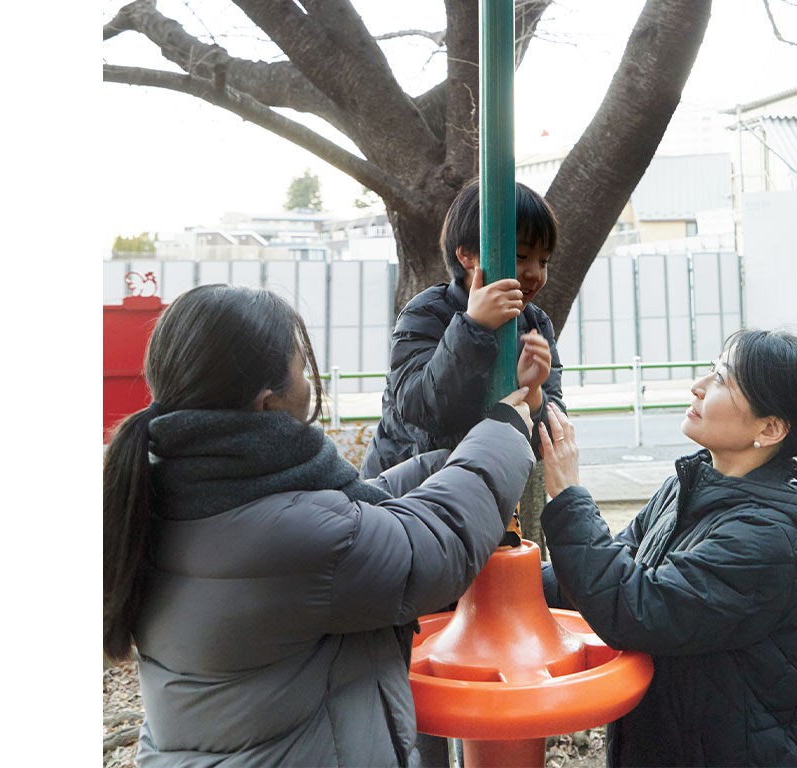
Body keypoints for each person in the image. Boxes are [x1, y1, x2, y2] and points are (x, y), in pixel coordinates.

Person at [103, 283, 535, 768]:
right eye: (300, 370)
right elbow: (431, 546)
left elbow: (350, 522)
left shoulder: (171, 494)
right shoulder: (292, 539)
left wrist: (443, 463)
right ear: (266, 401)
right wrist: (503, 432)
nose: (309, 382)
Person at [537, 328, 797, 768]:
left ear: (769, 428)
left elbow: (636, 607)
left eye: (723, 379)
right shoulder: (685, 488)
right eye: (711, 370)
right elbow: (600, 575)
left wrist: (568, 496)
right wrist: (494, 575)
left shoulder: (769, 539)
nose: (699, 386)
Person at [360, 178, 565, 477]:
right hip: (408, 495)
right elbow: (424, 409)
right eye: (521, 256)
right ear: (467, 254)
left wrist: (532, 394)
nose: (535, 273)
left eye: (544, 260)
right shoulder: (426, 313)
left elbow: (549, 438)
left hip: (481, 496)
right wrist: (474, 327)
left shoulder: (535, 324)